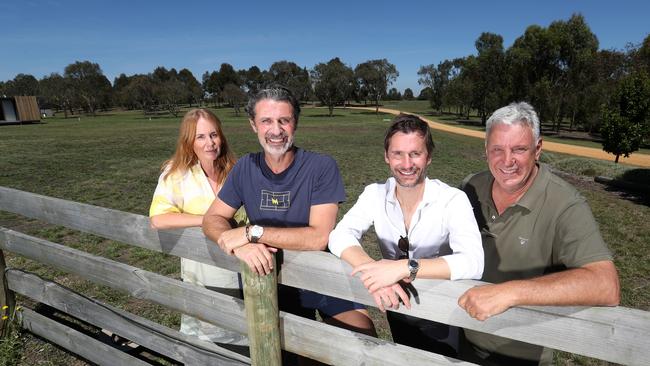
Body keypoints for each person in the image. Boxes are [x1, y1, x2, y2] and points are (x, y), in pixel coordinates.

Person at [202, 86, 374, 336]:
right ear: (253, 125)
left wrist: (252, 233)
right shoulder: (244, 168)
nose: (276, 130)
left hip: (319, 274)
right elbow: (212, 218)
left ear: (296, 123)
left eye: (284, 120)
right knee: (296, 352)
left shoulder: (321, 167)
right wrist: (238, 244)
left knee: (363, 340)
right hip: (270, 278)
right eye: (266, 121)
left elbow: (318, 237)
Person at [458, 102, 620, 365]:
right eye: (497, 149)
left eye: (519, 149)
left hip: (523, 354)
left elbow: (606, 285)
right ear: (486, 149)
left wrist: (509, 292)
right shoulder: (470, 187)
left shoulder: (564, 204)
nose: (507, 161)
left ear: (538, 148)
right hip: (465, 341)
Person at [328, 114, 484, 356]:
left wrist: (404, 267)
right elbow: (339, 236)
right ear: (387, 157)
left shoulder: (452, 199)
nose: (407, 164)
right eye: (398, 154)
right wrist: (375, 272)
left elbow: (473, 262)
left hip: (442, 309)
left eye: (415, 154)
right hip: (397, 304)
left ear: (429, 156)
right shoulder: (375, 194)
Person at [149, 108, 247, 345]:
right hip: (204, 270)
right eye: (200, 137)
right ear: (188, 141)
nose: (210, 143)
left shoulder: (236, 169)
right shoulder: (177, 174)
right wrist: (209, 219)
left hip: (243, 267)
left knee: (246, 337)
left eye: (213, 135)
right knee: (210, 339)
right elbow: (158, 219)